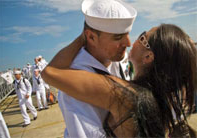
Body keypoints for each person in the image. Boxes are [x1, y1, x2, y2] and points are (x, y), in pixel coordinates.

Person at [42, 24, 197, 137]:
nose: (129, 42)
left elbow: (51, 72)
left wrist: (85, 36)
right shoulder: (165, 99)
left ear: (148, 57)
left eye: (142, 36)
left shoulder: (124, 94)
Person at [53, 0, 137, 137]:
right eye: (118, 37)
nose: (128, 43)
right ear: (91, 37)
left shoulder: (117, 56)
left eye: (127, 34)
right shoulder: (75, 82)